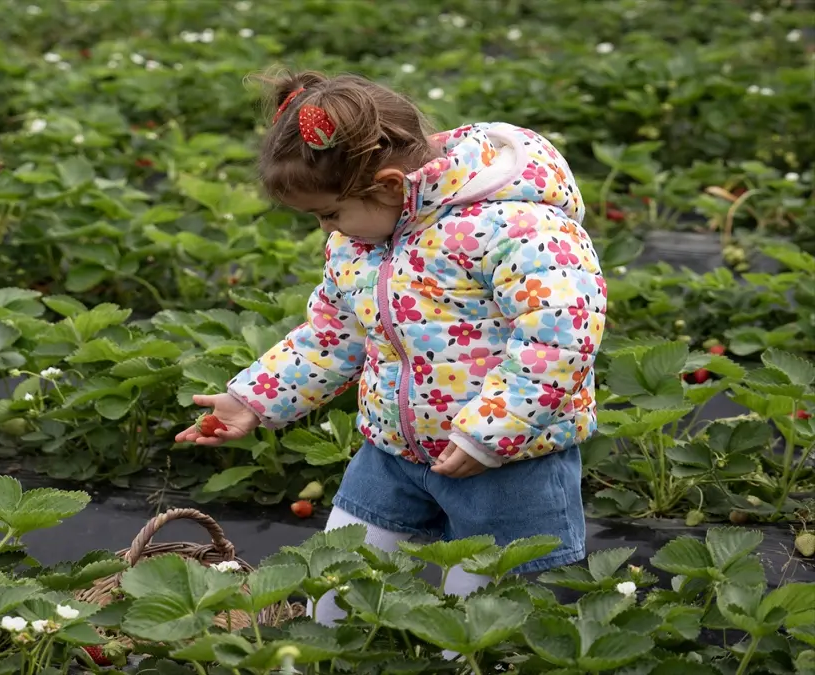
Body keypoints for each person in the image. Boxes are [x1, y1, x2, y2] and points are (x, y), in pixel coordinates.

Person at [174, 70, 606, 624]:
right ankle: (323, 653)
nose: (325, 228)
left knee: (484, 614)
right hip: (392, 450)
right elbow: (333, 333)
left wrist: (491, 432)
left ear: (389, 185)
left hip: (510, 460)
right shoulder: (358, 243)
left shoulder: (518, 226)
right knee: (338, 578)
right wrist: (254, 399)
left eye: (328, 212)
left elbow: (561, 333)